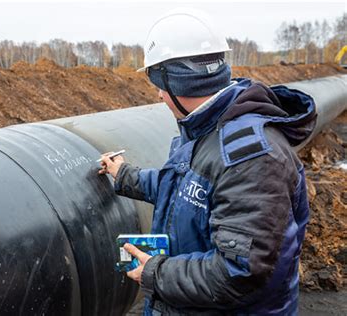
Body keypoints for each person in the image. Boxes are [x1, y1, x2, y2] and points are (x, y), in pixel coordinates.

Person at [98, 8, 317, 315]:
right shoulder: (209, 129)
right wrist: (123, 174)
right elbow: (185, 187)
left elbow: (239, 272)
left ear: (177, 84)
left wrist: (156, 272)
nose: (159, 96)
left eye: (159, 85)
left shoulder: (250, 158)